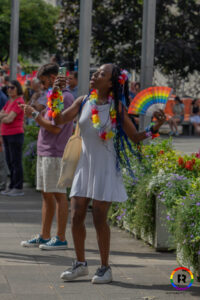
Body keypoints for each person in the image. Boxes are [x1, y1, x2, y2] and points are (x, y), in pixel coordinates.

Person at [54, 63, 166, 284]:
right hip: (85, 166)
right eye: (95, 72)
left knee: (98, 218)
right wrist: (56, 94)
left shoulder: (118, 108)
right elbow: (58, 120)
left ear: (111, 83)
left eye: (101, 74)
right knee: (76, 216)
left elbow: (135, 137)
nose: (94, 75)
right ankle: (80, 264)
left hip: (105, 168)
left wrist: (155, 128)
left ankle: (105, 268)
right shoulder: (83, 101)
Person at [20, 63, 74, 250]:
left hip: (56, 152)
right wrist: (36, 108)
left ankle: (60, 237)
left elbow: (55, 128)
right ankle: (45, 235)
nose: (42, 86)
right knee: (46, 194)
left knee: (59, 195)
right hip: (47, 150)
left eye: (44, 82)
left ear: (53, 78)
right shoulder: (55, 96)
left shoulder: (65, 97)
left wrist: (34, 114)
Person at [0, 80, 25, 196]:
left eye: (12, 87)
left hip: (15, 134)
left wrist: (4, 117)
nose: (9, 90)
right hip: (6, 134)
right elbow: (2, 114)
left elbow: (9, 119)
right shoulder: (10, 101)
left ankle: (18, 187)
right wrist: (5, 116)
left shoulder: (19, 101)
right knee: (10, 161)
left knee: (16, 161)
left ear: (17, 88)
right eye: (8, 88)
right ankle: (12, 186)